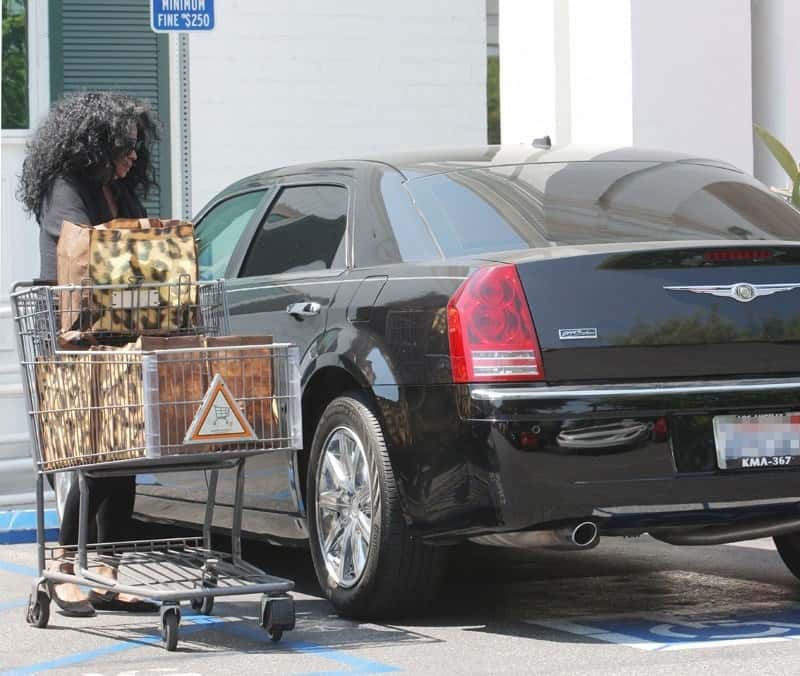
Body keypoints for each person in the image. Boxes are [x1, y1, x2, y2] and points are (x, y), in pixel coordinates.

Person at [17, 91, 161, 616]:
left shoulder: (118, 188)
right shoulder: (67, 188)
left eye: (137, 149)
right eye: (125, 147)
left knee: (125, 452)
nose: (132, 158)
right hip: (76, 339)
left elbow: (144, 244)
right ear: (94, 143)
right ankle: (62, 564)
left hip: (119, 333)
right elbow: (89, 247)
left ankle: (107, 568)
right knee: (94, 452)